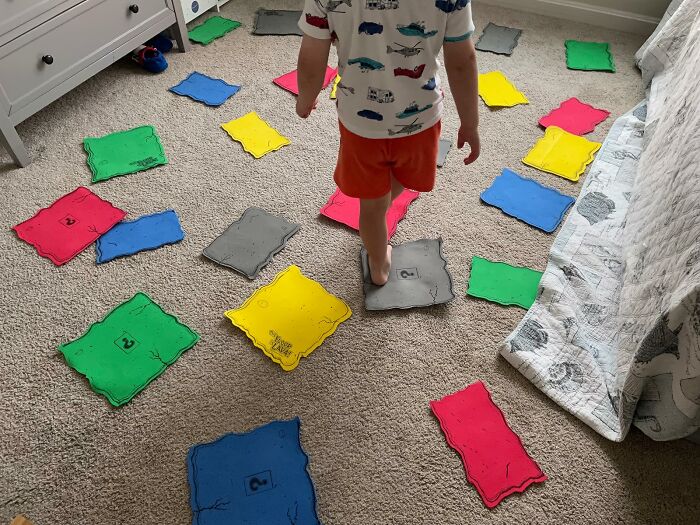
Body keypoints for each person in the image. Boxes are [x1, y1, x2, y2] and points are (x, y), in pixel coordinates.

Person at [296, 0, 480, 285]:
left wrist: (306, 97)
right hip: (421, 119)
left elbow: (311, 55)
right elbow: (462, 60)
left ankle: (378, 261)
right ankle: (380, 245)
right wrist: (470, 122)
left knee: (372, 206)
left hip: (362, 125)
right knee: (397, 182)